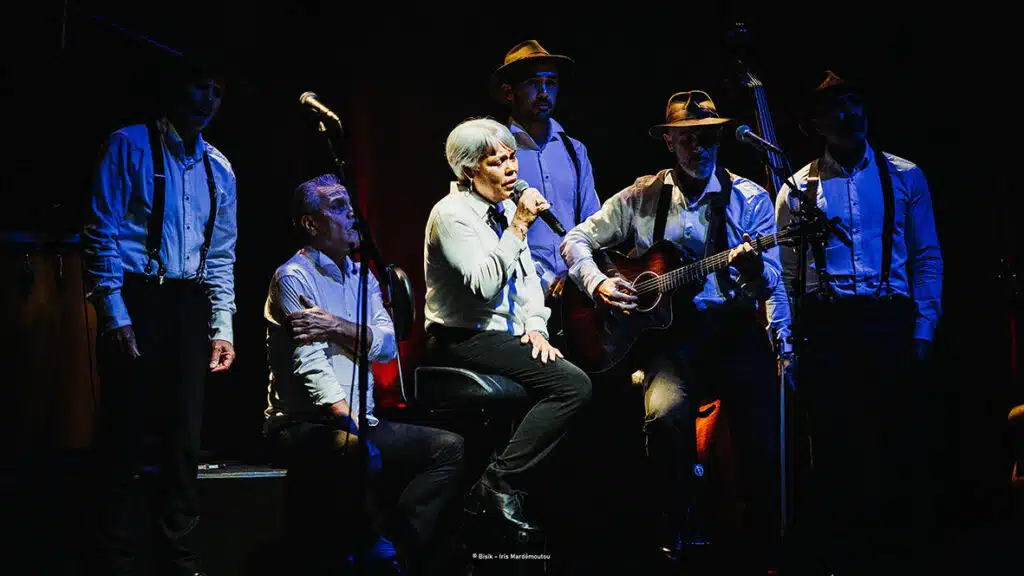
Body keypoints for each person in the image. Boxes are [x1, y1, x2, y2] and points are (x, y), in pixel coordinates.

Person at [561, 90, 788, 570]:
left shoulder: (750, 197)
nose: (698, 149)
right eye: (687, 139)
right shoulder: (641, 196)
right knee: (665, 416)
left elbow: (772, 280)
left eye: (707, 138)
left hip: (733, 331)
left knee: (763, 434)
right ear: (668, 141)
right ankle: (674, 527)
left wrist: (751, 271)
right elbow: (576, 238)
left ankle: (762, 540)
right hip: (670, 340)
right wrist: (599, 282)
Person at [775, 71, 943, 575]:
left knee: (896, 445)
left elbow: (926, 256)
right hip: (829, 327)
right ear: (815, 124)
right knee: (833, 448)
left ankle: (899, 553)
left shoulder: (904, 176)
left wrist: (923, 329)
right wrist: (787, 342)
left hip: (889, 322)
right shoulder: (797, 190)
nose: (849, 114)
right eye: (835, 107)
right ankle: (841, 556)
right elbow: (785, 275)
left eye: (854, 103)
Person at [263, 174, 466, 574]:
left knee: (450, 447)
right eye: (338, 206)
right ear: (311, 224)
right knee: (354, 451)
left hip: (360, 419)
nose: (351, 214)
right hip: (307, 423)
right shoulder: (293, 277)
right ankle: (373, 549)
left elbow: (388, 344)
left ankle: (400, 547)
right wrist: (351, 427)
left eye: (349, 204)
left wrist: (336, 327)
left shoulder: (363, 276)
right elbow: (312, 367)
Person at [82, 58, 237, 576]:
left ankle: (179, 556)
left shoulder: (220, 167)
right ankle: (115, 556)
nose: (208, 99)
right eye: (200, 86)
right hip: (138, 298)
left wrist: (223, 325)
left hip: (188, 303)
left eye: (216, 91)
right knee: (124, 434)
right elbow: (101, 232)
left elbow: (220, 254)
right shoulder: (129, 144)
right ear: (177, 88)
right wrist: (115, 313)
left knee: (184, 440)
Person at [423, 117, 593, 533]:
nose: (512, 169)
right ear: (468, 172)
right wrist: (518, 226)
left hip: (505, 333)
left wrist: (536, 326)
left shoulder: (498, 210)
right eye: (497, 162)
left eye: (512, 157)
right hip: (462, 336)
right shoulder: (451, 215)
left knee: (577, 374)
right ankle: (497, 482)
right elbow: (482, 287)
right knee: (573, 385)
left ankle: (526, 497)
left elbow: (528, 279)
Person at [490, 40, 601, 313]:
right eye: (533, 83)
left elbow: (594, 224)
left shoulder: (574, 151)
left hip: (578, 297)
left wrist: (582, 276)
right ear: (509, 92)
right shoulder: (495, 154)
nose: (543, 92)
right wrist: (546, 280)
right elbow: (491, 235)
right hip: (518, 300)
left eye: (551, 83)